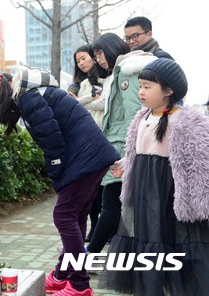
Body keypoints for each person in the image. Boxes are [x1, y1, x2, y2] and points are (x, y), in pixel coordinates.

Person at [0, 66, 120, 295]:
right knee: (76, 214)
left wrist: (56, 173)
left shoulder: (29, 98)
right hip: (93, 156)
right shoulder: (38, 93)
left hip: (86, 158)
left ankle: (80, 285)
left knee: (63, 215)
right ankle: (63, 274)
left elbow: (52, 139)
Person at [101, 58, 209, 295]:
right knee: (147, 244)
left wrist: (200, 201)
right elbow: (136, 153)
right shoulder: (142, 118)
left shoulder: (187, 120)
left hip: (170, 193)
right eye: (140, 86)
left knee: (175, 246)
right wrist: (125, 165)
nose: (141, 92)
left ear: (169, 90)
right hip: (143, 191)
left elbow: (201, 163)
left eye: (148, 87)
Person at [86, 33, 157, 255]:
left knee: (111, 206)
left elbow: (136, 116)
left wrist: (129, 155)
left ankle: (90, 256)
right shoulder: (121, 72)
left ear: (111, 47)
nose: (97, 59)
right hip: (121, 147)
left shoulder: (127, 73)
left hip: (123, 149)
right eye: (95, 55)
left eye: (99, 52)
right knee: (120, 207)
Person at [70, 44, 106, 243]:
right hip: (85, 138)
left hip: (101, 136)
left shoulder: (103, 79)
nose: (81, 63)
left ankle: (101, 228)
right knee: (91, 188)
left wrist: (81, 100)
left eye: (84, 58)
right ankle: (94, 226)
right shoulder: (80, 83)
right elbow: (76, 105)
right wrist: (87, 99)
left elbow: (102, 103)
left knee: (101, 187)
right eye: (78, 61)